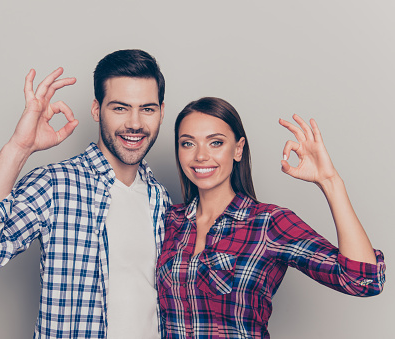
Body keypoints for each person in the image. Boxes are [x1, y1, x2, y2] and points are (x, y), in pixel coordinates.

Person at [0, 49, 171, 339]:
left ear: (161, 112)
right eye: (120, 108)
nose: (135, 123)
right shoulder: (55, 185)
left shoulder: (161, 199)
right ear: (96, 109)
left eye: (147, 109)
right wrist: (19, 147)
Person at [157, 97, 385, 338]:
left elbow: (363, 280)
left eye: (215, 142)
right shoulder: (168, 220)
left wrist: (330, 181)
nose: (201, 156)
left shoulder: (267, 223)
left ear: (238, 149)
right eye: (187, 143)